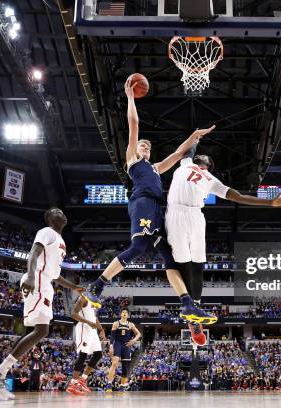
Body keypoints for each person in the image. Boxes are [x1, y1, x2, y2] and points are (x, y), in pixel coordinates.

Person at [82, 77, 216, 325]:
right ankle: (97, 286)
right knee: (139, 248)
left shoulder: (154, 167)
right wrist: (131, 98)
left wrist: (194, 137)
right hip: (142, 202)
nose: (144, 145)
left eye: (147, 145)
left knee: (170, 257)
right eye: (142, 144)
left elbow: (177, 155)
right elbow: (134, 125)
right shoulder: (134, 161)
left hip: (157, 208)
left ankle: (187, 305)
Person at [165, 140, 281, 345]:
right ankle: (190, 310)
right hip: (176, 212)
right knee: (184, 264)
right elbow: (188, 149)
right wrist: (196, 138)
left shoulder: (211, 179)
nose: (203, 163)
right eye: (200, 160)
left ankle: (196, 312)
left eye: (206, 163)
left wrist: (268, 202)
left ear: (209, 167)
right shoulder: (184, 164)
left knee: (198, 265)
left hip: (196, 216)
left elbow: (237, 196)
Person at [0, 208, 83, 400]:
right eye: (56, 211)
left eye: (62, 211)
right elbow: (33, 253)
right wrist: (29, 276)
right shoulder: (46, 231)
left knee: (42, 330)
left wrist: (73, 287)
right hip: (36, 279)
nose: (61, 213)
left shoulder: (61, 242)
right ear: (50, 218)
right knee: (41, 330)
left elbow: (56, 274)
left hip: (46, 283)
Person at [66, 296, 106, 395]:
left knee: (98, 354)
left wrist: (101, 329)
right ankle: (73, 384)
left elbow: (94, 317)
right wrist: (88, 322)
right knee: (83, 355)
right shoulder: (83, 298)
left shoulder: (94, 300)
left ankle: (82, 380)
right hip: (84, 327)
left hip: (92, 330)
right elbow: (74, 314)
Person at [106, 308, 141, 392]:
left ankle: (122, 386)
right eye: (123, 312)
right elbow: (112, 336)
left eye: (126, 312)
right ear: (120, 314)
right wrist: (111, 346)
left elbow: (139, 334)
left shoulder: (131, 324)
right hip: (117, 344)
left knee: (125, 367)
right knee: (114, 363)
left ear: (128, 315)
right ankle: (109, 384)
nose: (124, 313)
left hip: (126, 345)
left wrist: (133, 340)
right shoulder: (116, 323)